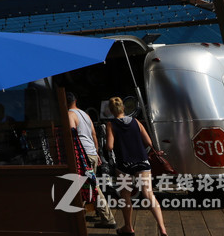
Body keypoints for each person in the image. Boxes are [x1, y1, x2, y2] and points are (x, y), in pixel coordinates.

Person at [106, 95, 166, 236]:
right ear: (123, 108)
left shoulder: (111, 124)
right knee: (148, 194)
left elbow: (109, 146)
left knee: (125, 195)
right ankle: (162, 228)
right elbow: (148, 142)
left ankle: (128, 227)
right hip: (141, 161)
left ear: (111, 110)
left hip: (124, 164)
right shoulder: (136, 122)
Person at [68, 92, 115, 228]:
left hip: (83, 156)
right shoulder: (85, 115)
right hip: (91, 154)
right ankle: (78, 218)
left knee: (91, 187)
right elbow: (94, 134)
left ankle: (108, 219)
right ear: (76, 100)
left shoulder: (70, 115)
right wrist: (96, 152)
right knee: (85, 186)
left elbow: (73, 135)